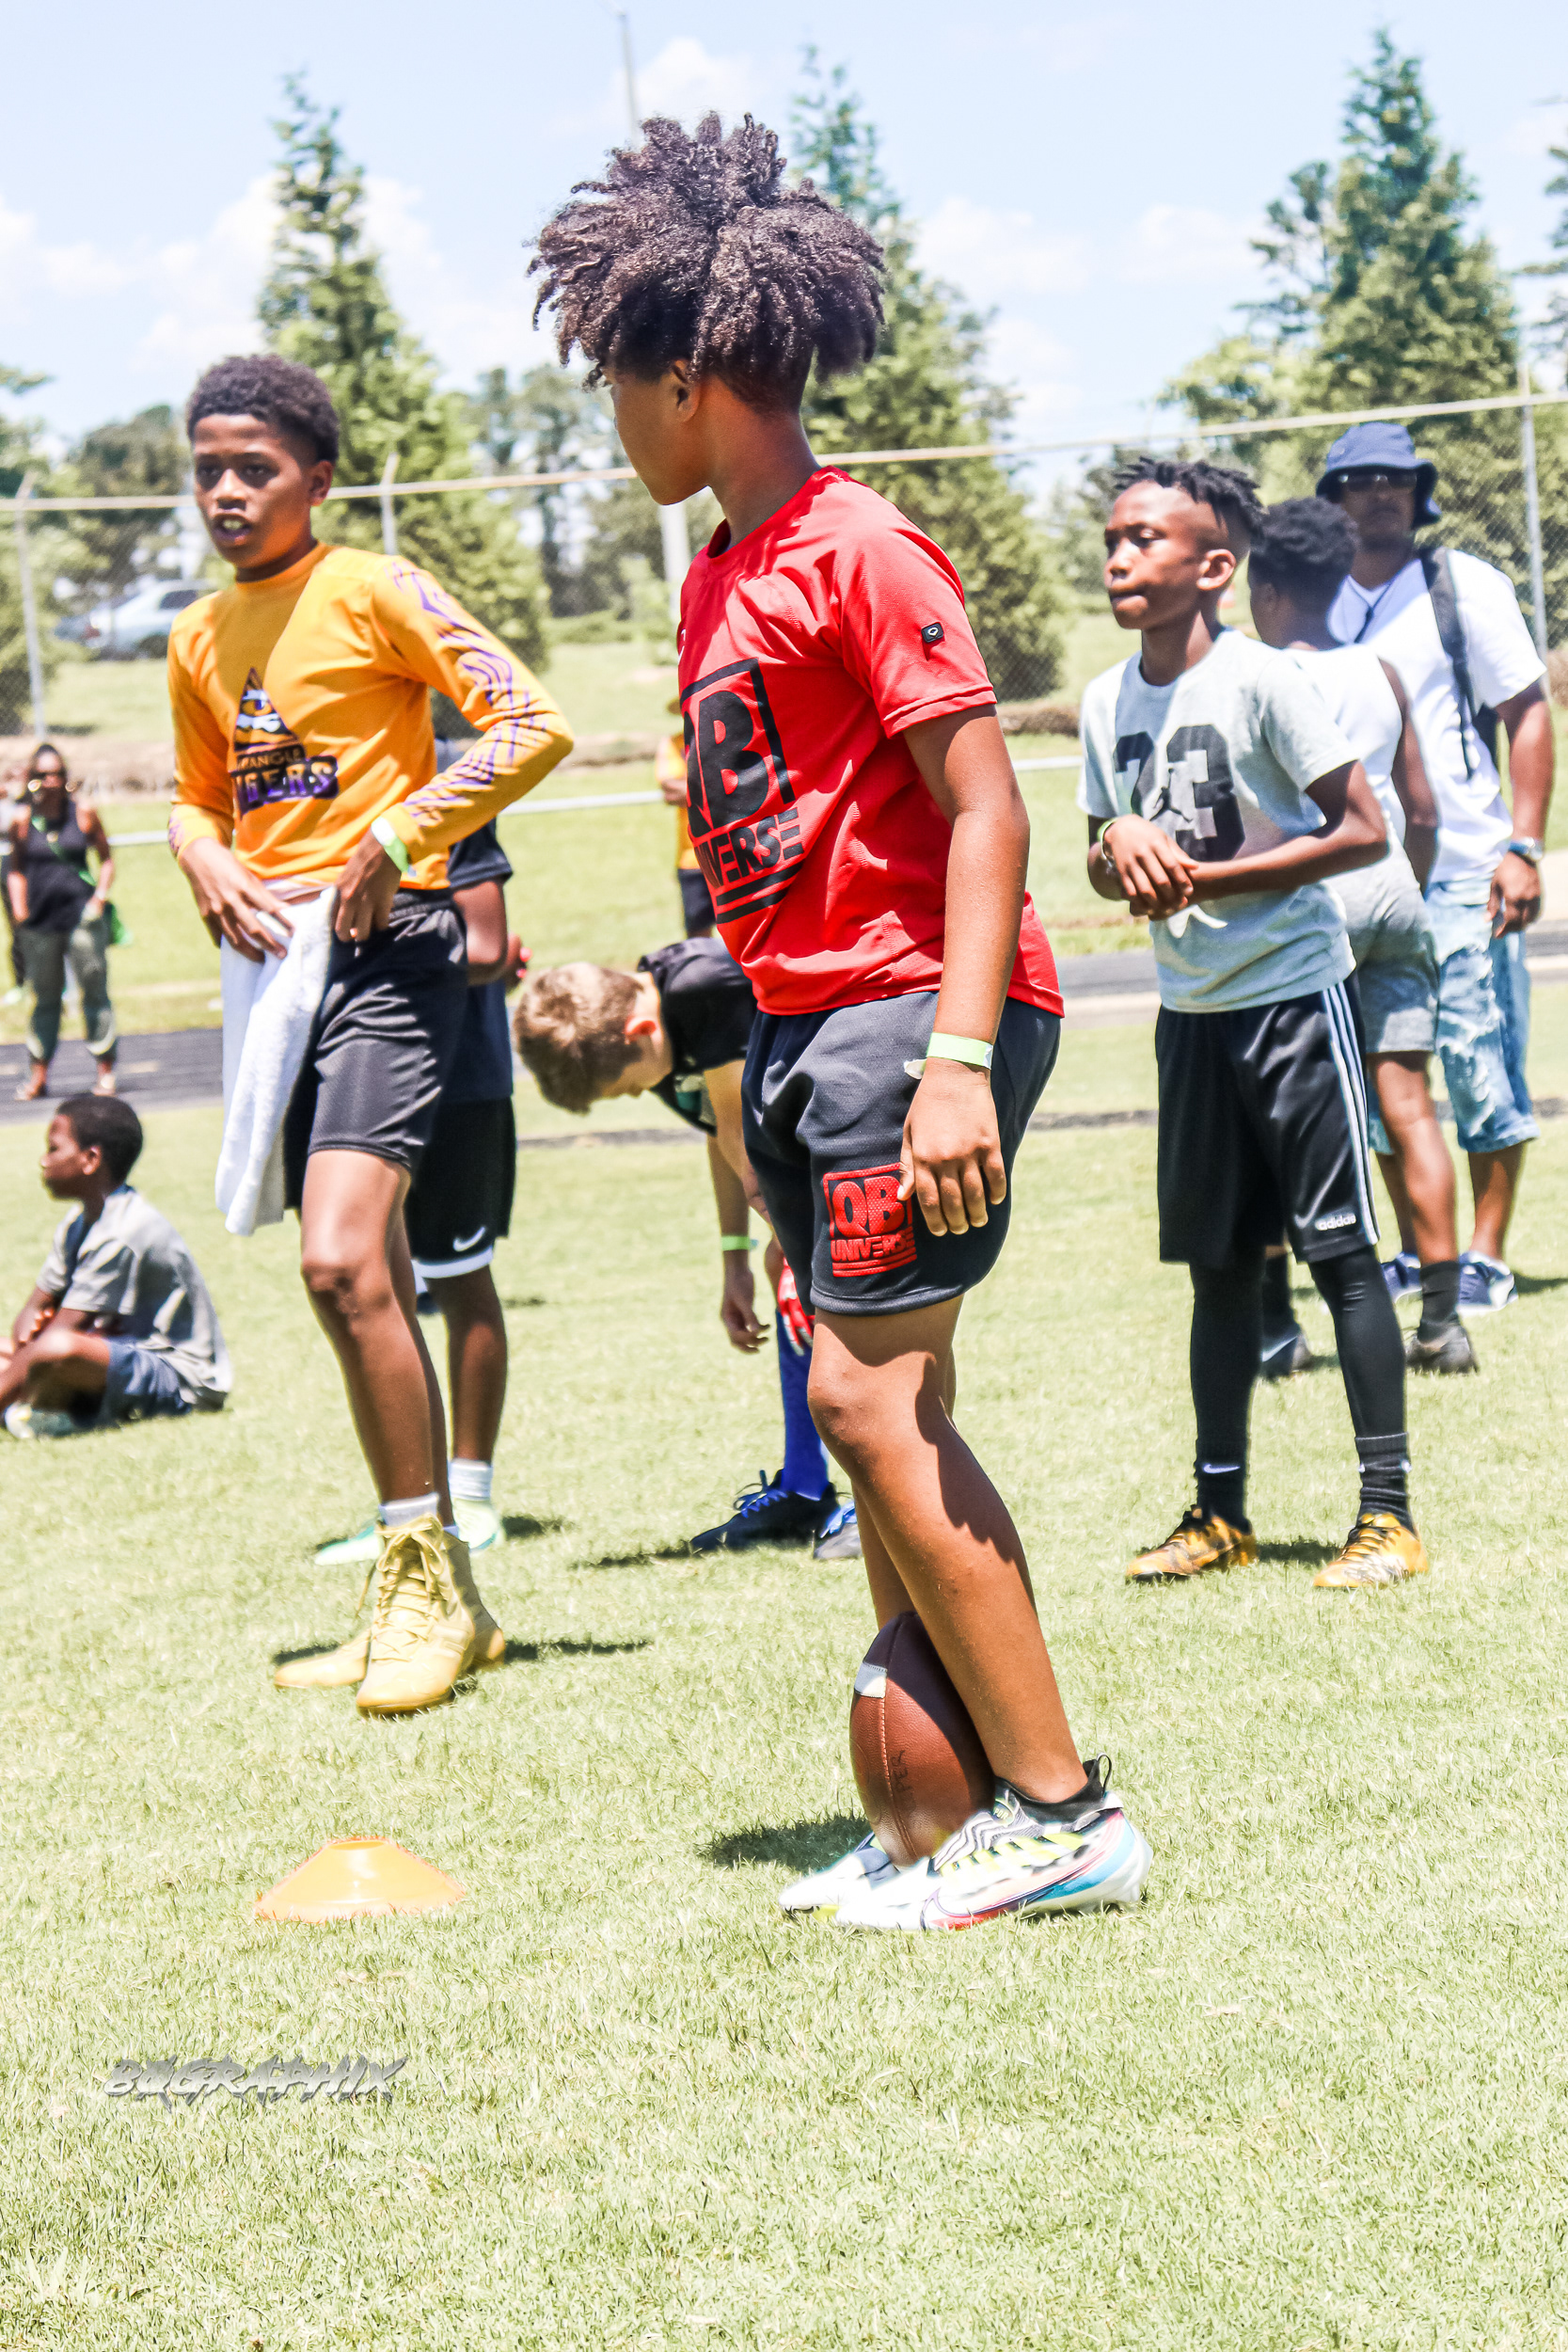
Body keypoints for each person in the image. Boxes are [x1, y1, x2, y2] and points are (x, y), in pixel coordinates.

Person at [533, 111, 1151, 1932]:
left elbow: (988, 808)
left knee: (865, 1399)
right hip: (806, 1028)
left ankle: (1061, 1812)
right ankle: (947, 1815)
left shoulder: (861, 548)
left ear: (692, 373)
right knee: (873, 1398)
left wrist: (953, 1061)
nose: (611, 421)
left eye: (615, 383)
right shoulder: (715, 575)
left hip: (911, 1017)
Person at [166, 353, 573, 1715]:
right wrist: (197, 852)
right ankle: (436, 1587)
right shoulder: (195, 636)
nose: (227, 492)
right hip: (277, 973)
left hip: (395, 952)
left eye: (255, 468)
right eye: (208, 469)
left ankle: (420, 1584)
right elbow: (197, 795)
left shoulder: (375, 587)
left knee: (341, 1262)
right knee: (367, 1275)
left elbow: (531, 723)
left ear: (319, 479)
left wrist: (403, 837)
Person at [1079, 455, 1427, 1592]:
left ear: (1213, 567)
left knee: (1338, 1253)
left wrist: (1207, 879)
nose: (1119, 556)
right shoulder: (1102, 700)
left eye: (1145, 538)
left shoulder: (1261, 680)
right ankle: (1217, 1511)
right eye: (1112, 538)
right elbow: (1101, 853)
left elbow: (1362, 829)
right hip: (1188, 1013)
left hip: (1291, 996)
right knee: (1217, 1266)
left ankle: (1386, 1516)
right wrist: (1114, 847)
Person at [513, 939, 863, 1561]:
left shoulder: (703, 987)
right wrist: (735, 1259)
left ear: (641, 1029)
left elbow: (735, 1123)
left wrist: (787, 1241)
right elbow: (719, 1127)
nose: (634, 1097)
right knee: (789, 1281)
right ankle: (806, 1489)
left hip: (860, 1115)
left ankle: (876, 1498)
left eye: (627, 1089)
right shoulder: (639, 1018)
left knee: (844, 1291)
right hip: (790, 1152)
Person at [1319, 421, 1555, 1314]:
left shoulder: (1461, 586)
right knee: (1385, 1075)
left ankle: (1485, 1256)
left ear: (1419, 493)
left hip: (1465, 870)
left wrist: (1521, 846)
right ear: (1333, 498)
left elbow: (1526, 711)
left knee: (1478, 1060)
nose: (1380, 492)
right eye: (1360, 480)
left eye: (1397, 478)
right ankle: (1423, 1254)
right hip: (1357, 879)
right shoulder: (1310, 598)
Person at [1248, 499, 1474, 1375]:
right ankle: (1443, 1323)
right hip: (1392, 892)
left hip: (1308, 903)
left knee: (1275, 1120)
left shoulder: (1255, 677)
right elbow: (1421, 809)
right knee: (1409, 1106)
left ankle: (1276, 1327)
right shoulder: (1380, 669)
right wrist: (1401, 888)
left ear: (1265, 591)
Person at [313, 810, 527, 1568]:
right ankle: (416, 1504)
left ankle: (470, 1491)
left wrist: (362, 959)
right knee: (379, 1283)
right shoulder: (330, 809)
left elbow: (489, 946)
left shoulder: (449, 803)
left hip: (460, 1080)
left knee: (461, 1278)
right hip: (368, 1079)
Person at [1, 1095, 230, 1439]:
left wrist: (35, 1345)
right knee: (28, 1351)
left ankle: (39, 1409)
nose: (43, 1161)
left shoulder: (124, 1231)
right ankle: (31, 1408)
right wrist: (31, 1328)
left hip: (178, 1378)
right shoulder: (77, 1223)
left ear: (90, 1159)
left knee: (56, 1349)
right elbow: (32, 1315)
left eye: (53, 1149)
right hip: (114, 1353)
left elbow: (57, 1337)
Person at [7, 744, 118, 1103]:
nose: (50, 781)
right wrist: (19, 910)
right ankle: (38, 1076)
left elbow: (106, 859)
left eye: (56, 773)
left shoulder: (83, 813)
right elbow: (15, 869)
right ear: (32, 778)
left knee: (94, 992)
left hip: (80, 918)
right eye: (43, 775)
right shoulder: (22, 820)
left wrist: (99, 899)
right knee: (45, 998)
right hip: (40, 922)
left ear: (65, 776)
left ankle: (105, 1072)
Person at [656, 696, 716, 936]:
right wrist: (721, 787)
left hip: (738, 850)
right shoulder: (674, 743)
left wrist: (690, 785)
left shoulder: (726, 738)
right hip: (692, 857)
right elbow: (671, 791)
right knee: (698, 935)